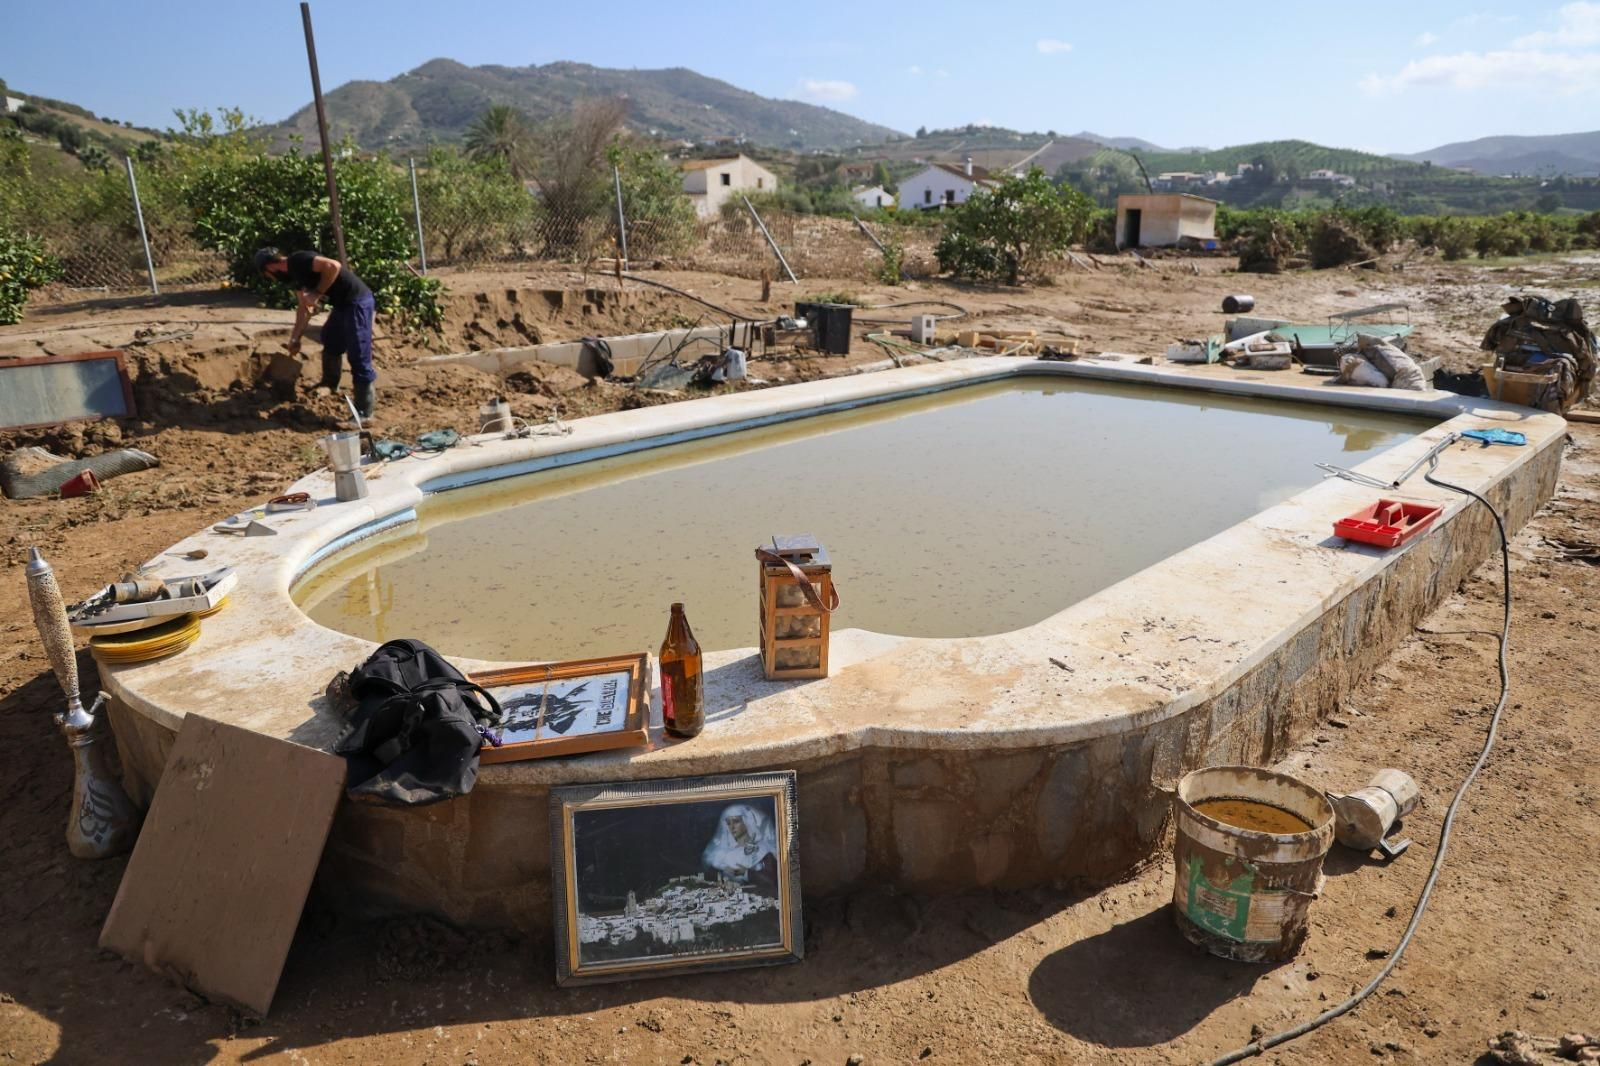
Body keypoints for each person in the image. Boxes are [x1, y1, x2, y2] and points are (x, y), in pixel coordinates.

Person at [254, 247, 377, 418]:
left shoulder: (298, 260)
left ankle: (364, 412)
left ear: (270, 268)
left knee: (358, 353)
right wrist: (295, 339)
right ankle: (330, 383)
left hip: (357, 301)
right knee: (331, 338)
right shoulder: (295, 277)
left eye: (267, 275)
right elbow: (303, 309)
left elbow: (333, 266)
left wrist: (317, 293)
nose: (271, 279)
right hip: (342, 305)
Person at [700, 802, 779, 891]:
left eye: (736, 821)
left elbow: (771, 881)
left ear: (746, 822)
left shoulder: (763, 849)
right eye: (728, 823)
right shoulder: (723, 853)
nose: (732, 827)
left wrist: (745, 873)